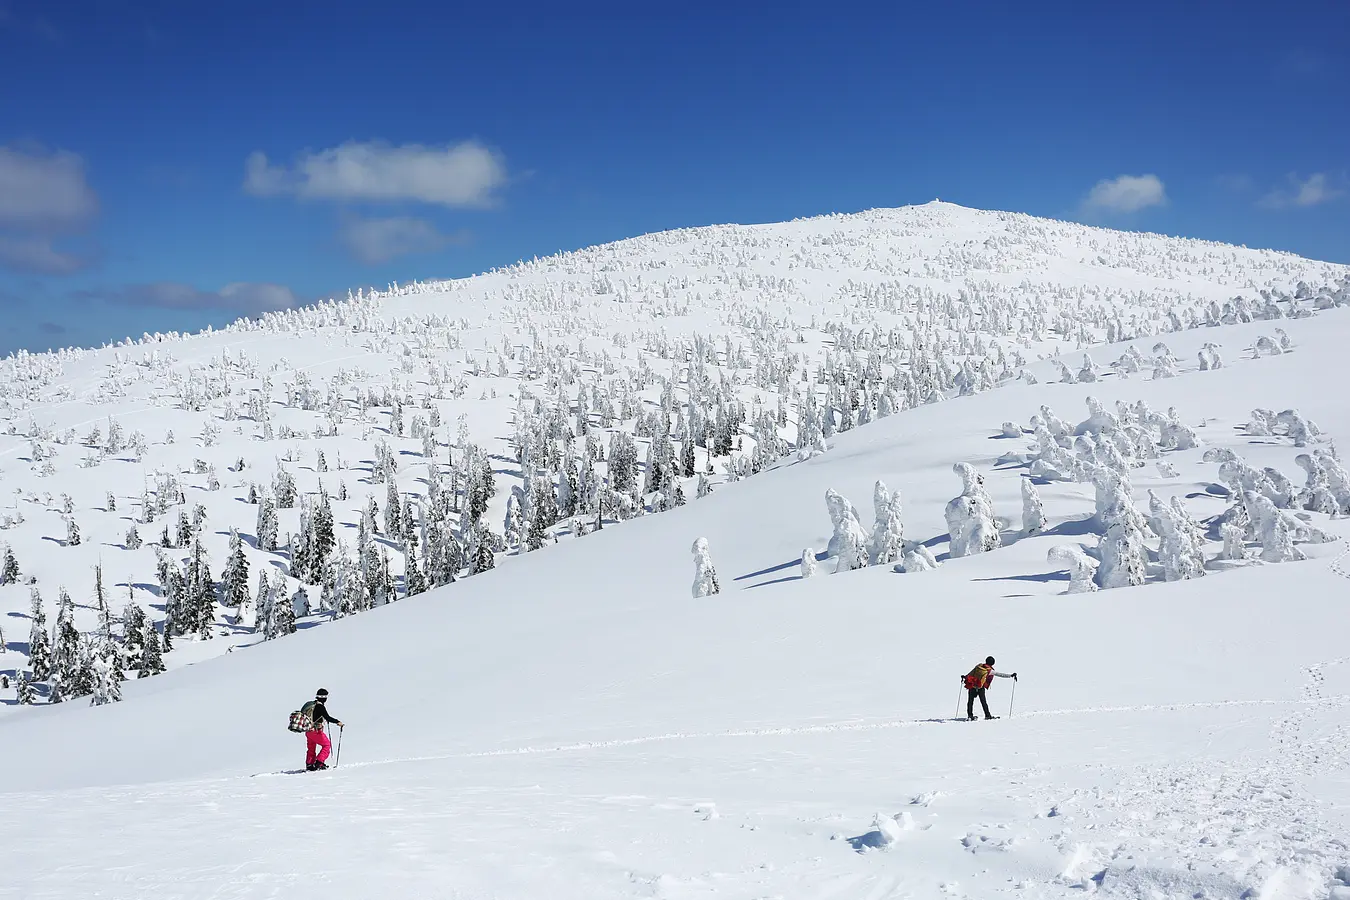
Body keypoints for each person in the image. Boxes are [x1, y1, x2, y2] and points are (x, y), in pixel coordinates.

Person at [964, 656, 1016, 720]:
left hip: (972, 686)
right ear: (992, 663)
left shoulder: (979, 666)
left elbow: (971, 673)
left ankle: (970, 715)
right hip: (980, 687)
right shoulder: (990, 670)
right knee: (983, 701)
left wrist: (965, 677)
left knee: (970, 701)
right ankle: (987, 715)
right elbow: (1000, 674)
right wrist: (1010, 675)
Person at [305, 688, 344, 771]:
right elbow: (327, 717)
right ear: (323, 697)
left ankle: (309, 764)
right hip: (316, 731)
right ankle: (319, 763)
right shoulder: (320, 706)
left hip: (308, 730)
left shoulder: (312, 705)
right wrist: (338, 722)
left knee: (311, 748)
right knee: (326, 745)